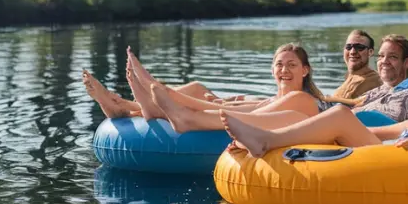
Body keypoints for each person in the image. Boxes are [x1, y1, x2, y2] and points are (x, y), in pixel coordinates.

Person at [218, 51, 408, 158]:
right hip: (382, 154)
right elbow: (377, 134)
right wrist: (321, 133)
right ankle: (264, 140)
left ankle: (265, 140)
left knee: (340, 114)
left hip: (393, 163)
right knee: (340, 118)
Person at [83, 43, 330, 123]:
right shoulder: (277, 99)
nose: (284, 70)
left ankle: (145, 102)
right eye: (279, 64)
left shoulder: (303, 101)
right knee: (199, 89)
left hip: (265, 121)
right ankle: (131, 105)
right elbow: (251, 105)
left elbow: (247, 113)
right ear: (271, 69)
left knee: (203, 103)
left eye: (291, 65)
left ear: (305, 71)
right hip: (261, 110)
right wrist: (223, 101)